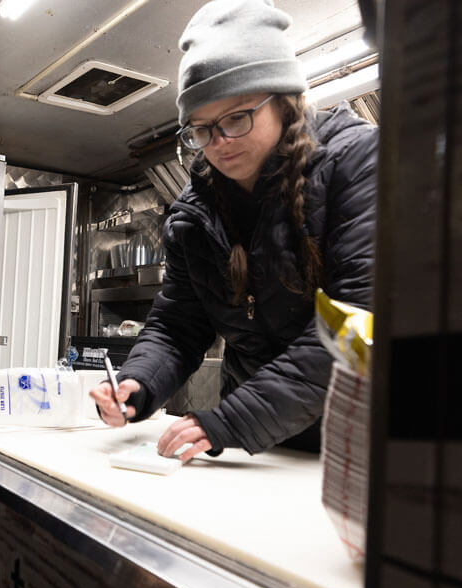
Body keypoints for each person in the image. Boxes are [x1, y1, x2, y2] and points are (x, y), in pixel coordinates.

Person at [90, 0, 377, 462]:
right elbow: (178, 323)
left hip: (358, 441)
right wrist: (137, 383)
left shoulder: (357, 163)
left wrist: (233, 419)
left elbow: (357, 321)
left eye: (237, 118)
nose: (219, 144)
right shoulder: (195, 211)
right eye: (201, 129)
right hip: (262, 447)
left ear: (287, 103)